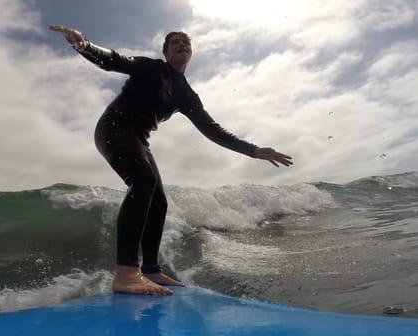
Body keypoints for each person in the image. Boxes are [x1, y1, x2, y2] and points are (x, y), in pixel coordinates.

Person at [49, 25, 293, 296]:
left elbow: (211, 129)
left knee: (159, 200)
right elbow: (115, 60)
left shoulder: (186, 94)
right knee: (144, 181)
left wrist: (254, 150)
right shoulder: (151, 67)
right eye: (175, 42)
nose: (182, 44)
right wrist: (85, 46)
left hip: (139, 138)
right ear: (165, 52)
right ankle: (126, 273)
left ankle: (151, 269)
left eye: (186, 42)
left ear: (191, 52)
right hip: (113, 127)